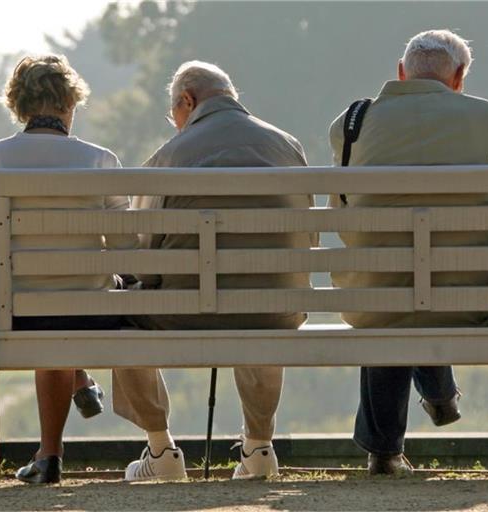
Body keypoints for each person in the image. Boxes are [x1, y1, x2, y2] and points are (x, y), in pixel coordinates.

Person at [112, 60, 316, 481]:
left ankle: (160, 450)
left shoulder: (169, 157)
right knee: (266, 295)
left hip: (183, 312)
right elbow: (306, 241)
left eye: (176, 117)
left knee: (119, 315)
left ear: (187, 100)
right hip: (276, 312)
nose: (176, 126)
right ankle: (259, 448)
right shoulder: (287, 146)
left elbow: (141, 259)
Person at [328, 29, 488, 475]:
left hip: (375, 296)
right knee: (430, 275)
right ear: (459, 76)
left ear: (400, 73)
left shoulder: (350, 123)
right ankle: (439, 391)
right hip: (467, 298)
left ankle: (385, 453)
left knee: (388, 288)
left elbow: (342, 213)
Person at [0, 54, 138, 483]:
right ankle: (73, 397)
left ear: (19, 105)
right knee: (65, 305)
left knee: (42, 307)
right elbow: (129, 251)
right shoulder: (99, 159)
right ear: (70, 104)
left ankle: (50, 452)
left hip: (11, 310)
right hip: (90, 311)